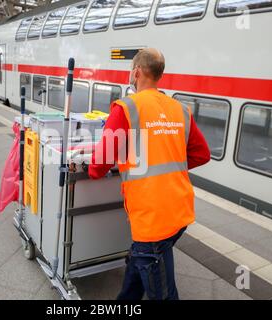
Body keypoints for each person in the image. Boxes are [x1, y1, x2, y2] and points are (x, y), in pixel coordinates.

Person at [88, 48, 211, 300]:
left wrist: (92, 170)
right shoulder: (180, 109)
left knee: (163, 291)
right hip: (180, 210)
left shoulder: (125, 108)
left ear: (137, 72)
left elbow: (99, 165)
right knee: (138, 267)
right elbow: (202, 154)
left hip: (152, 218)